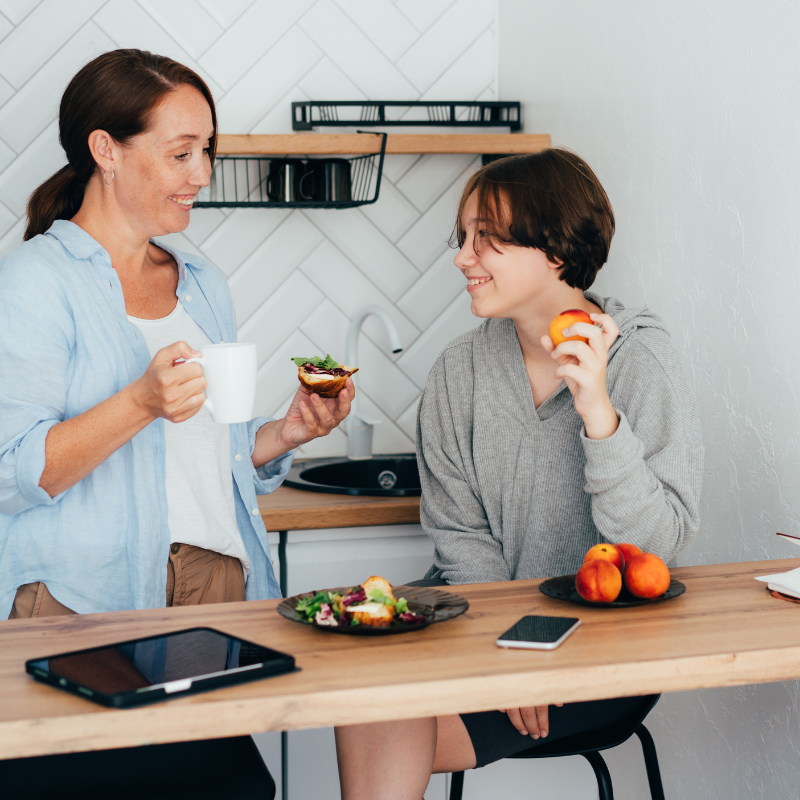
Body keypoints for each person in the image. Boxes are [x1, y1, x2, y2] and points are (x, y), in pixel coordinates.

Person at [334, 149, 703, 799]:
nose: (462, 257)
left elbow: (653, 552)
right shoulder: (459, 370)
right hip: (481, 630)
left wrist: (598, 413)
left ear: (557, 249)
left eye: (488, 239)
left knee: (382, 704)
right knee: (362, 669)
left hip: (604, 653)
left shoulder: (639, 360)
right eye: (464, 238)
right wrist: (508, 654)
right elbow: (459, 536)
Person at [0, 49, 353, 621]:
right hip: (79, 591)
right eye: (181, 153)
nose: (203, 173)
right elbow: (12, 475)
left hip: (215, 577)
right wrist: (141, 402)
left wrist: (285, 434)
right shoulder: (33, 281)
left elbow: (209, 450)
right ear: (105, 149)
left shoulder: (201, 283)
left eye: (207, 149)